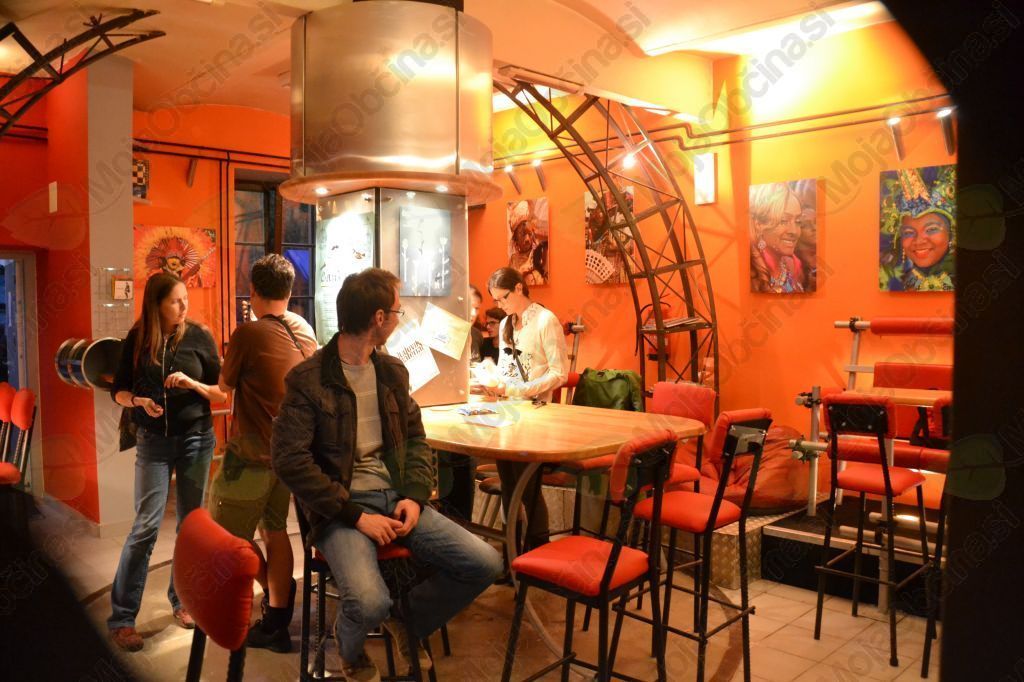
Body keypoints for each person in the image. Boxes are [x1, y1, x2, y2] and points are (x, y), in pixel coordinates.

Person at [272, 267, 502, 682]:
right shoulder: (308, 379)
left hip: (396, 500)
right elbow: (290, 460)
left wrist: (414, 495)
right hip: (340, 510)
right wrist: (355, 515)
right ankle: (350, 651)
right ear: (379, 318)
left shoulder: (392, 371)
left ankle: (407, 622)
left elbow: (415, 439)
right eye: (397, 311)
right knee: (368, 601)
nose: (399, 318)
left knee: (485, 562)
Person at [108, 272, 224, 652]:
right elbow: (118, 390)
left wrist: (192, 384)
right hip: (153, 442)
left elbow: (221, 392)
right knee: (145, 526)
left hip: (196, 439)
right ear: (156, 305)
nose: (184, 305)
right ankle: (122, 618)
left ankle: (183, 600)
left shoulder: (200, 336)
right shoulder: (138, 339)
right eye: (175, 300)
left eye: (185, 298)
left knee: (191, 526)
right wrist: (137, 401)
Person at [208, 254, 317, 653]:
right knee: (275, 530)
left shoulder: (248, 334)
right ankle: (277, 614)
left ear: (252, 291)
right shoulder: (304, 330)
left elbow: (223, 389)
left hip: (251, 455)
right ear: (290, 290)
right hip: (290, 454)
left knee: (224, 536)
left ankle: (270, 589)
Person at [477, 267, 569, 550]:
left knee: (527, 488)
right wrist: (491, 379)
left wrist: (518, 389)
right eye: (496, 300)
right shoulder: (506, 323)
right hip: (507, 413)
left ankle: (538, 551)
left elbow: (559, 373)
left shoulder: (545, 320)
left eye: (503, 297)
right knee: (509, 486)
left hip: (536, 414)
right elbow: (507, 370)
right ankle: (511, 552)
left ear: (519, 288)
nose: (500, 304)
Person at [880, 166, 956, 291]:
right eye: (909, 232)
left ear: (951, 233)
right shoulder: (896, 281)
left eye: (931, 229)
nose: (919, 241)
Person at [749, 182, 807, 293]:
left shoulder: (794, 265)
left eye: (798, 221)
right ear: (759, 224)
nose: (794, 231)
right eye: (783, 221)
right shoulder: (751, 269)